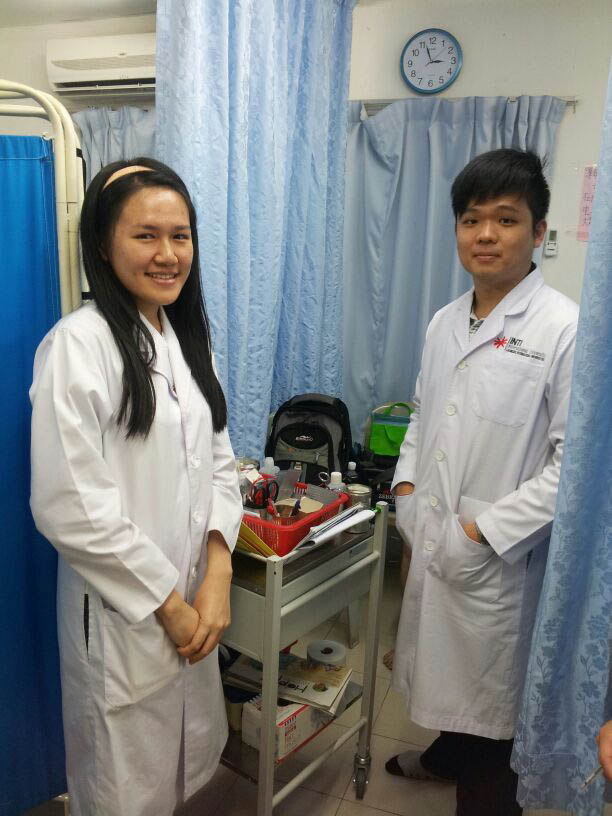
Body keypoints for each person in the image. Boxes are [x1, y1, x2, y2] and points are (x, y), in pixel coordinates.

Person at [30, 158, 243, 816]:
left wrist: (218, 569)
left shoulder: (188, 341)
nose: (167, 254)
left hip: (192, 607)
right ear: (103, 244)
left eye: (180, 236)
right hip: (125, 620)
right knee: (120, 790)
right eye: (145, 235)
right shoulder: (78, 345)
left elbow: (220, 460)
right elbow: (69, 506)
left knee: (174, 780)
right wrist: (168, 604)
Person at [385, 149, 579, 816]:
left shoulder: (564, 328)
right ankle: (445, 757)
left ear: (538, 230)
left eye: (506, 219)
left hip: (498, 559)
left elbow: (573, 468)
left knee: (492, 719)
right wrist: (405, 492)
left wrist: (481, 532)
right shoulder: (444, 321)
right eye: (471, 219)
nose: (486, 234)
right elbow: (423, 416)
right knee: (443, 680)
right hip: (435, 533)